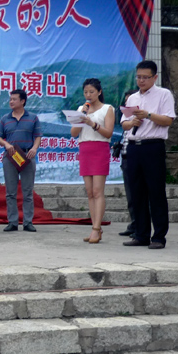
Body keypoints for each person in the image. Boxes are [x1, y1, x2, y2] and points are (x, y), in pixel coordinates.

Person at [121, 60, 176, 249]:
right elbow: (124, 123)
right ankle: (141, 234)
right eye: (138, 77)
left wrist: (148, 115)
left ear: (155, 77)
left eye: (145, 77)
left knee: (156, 192)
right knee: (137, 192)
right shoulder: (132, 98)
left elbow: (168, 120)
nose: (141, 81)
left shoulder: (164, 94)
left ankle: (159, 237)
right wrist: (131, 123)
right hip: (134, 146)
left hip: (153, 146)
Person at [70, 78, 115, 244]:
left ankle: (96, 228)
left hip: (100, 149)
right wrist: (82, 116)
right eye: (86, 92)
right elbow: (74, 133)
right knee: (89, 192)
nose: (88, 95)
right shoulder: (81, 109)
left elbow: (108, 132)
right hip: (85, 149)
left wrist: (92, 123)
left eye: (91, 92)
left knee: (97, 191)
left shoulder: (107, 109)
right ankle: (95, 227)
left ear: (99, 92)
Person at [0, 89, 42, 232]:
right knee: (10, 192)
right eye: (10, 99)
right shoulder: (5, 118)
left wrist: (34, 148)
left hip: (27, 156)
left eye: (14, 99)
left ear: (22, 101)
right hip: (11, 157)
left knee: (27, 191)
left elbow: (38, 136)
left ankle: (28, 222)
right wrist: (6, 144)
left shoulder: (33, 118)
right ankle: (12, 222)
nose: (11, 101)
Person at [118, 89, 139, 237]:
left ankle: (140, 227)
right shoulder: (126, 119)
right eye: (126, 102)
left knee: (139, 195)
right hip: (125, 158)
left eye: (130, 101)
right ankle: (134, 224)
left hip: (137, 157)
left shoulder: (140, 118)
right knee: (130, 195)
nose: (127, 104)